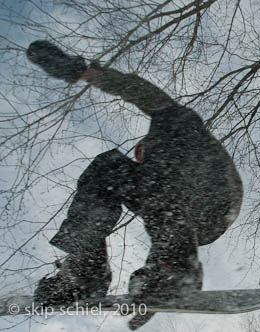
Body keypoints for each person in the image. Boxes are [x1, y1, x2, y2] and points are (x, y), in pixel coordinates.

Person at [27, 40, 243, 329]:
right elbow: (148, 185)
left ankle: (172, 268)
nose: (139, 162)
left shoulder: (172, 123)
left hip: (216, 196)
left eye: (142, 152)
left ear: (148, 143)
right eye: (139, 160)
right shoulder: (155, 183)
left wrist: (84, 72)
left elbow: (136, 89)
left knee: (167, 156)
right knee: (107, 169)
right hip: (180, 223)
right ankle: (85, 270)